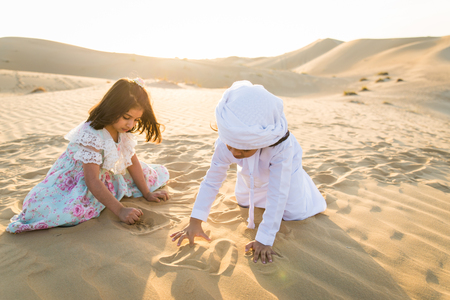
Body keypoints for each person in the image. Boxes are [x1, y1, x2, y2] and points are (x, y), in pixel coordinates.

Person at [171, 80, 326, 264]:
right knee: (244, 201)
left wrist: (264, 239)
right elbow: (212, 181)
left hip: (285, 180)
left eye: (243, 150)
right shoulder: (227, 141)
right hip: (250, 180)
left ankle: (306, 188)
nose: (235, 153)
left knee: (294, 213)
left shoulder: (281, 147)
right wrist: (195, 221)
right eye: (230, 146)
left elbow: (278, 192)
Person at [7, 78, 170, 233]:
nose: (131, 124)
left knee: (149, 175)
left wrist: (147, 193)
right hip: (80, 179)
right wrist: (120, 210)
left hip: (105, 175)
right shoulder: (92, 134)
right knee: (70, 210)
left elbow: (132, 161)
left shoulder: (123, 131)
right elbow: (91, 180)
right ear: (112, 108)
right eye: (127, 117)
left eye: (136, 119)